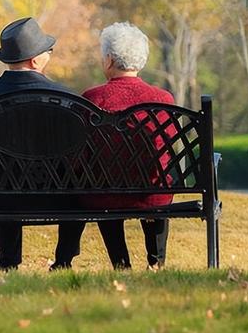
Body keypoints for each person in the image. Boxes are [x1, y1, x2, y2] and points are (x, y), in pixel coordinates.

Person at [52, 22, 175, 271]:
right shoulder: (164, 99)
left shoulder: (92, 99)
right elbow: (167, 152)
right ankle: (156, 262)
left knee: (102, 183)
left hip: (104, 193)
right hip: (151, 194)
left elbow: (79, 154)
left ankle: (121, 264)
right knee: (156, 184)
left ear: (108, 60)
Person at [0, 16, 75, 270]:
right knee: (78, 190)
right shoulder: (64, 96)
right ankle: (63, 260)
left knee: (6, 177)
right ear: (36, 59)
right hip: (58, 194)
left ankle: (8, 261)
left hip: (4, 196)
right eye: (47, 51)